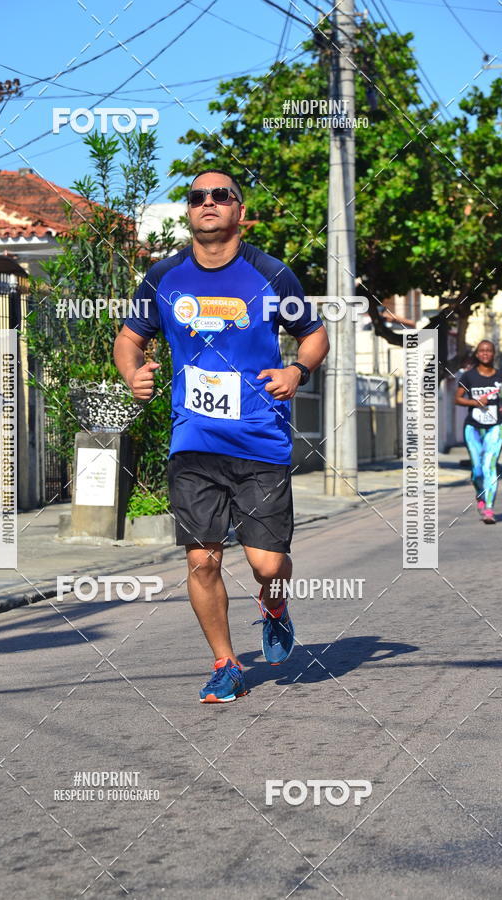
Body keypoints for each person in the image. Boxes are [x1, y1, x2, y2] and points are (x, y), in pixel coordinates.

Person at [114, 168, 329, 702]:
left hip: (261, 442)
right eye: (196, 197)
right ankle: (226, 662)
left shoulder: (273, 275)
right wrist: (132, 372)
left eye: (220, 195)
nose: (207, 203)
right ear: (189, 212)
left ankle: (274, 604)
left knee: (268, 564)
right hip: (194, 441)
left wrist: (297, 371)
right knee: (201, 559)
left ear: (239, 210)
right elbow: (128, 339)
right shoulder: (163, 277)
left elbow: (314, 335)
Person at [455, 340, 502, 524]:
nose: (485, 353)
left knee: (489, 466)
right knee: (477, 470)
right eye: (482, 351)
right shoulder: (468, 376)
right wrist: (475, 402)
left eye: (489, 350)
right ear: (477, 354)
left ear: (493, 354)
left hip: (494, 426)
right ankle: (480, 495)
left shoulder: (501, 375)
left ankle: (489, 509)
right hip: (473, 427)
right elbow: (458, 399)